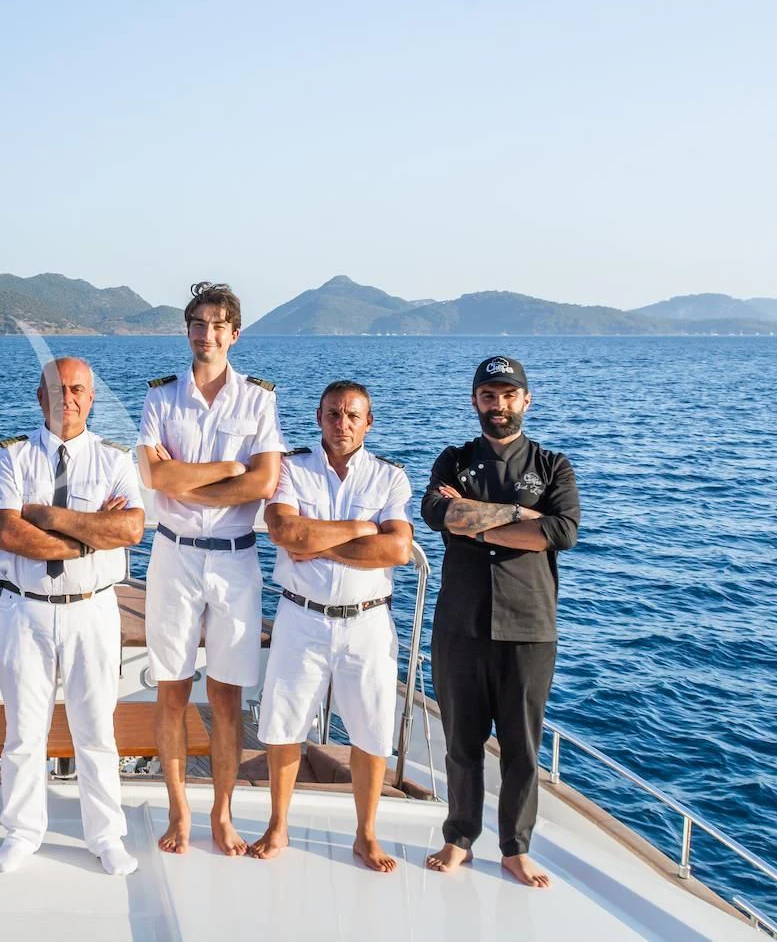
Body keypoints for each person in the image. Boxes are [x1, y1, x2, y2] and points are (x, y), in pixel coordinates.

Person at [0, 357, 146, 876]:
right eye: (56, 389)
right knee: (23, 731)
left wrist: (47, 517)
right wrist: (89, 535)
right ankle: (22, 832)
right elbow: (6, 533)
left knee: (95, 728)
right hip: (24, 612)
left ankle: (105, 835)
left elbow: (131, 529)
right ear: (39, 396)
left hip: (90, 612)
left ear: (91, 398)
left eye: (77, 390)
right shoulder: (10, 458)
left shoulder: (115, 460)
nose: (67, 398)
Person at [135, 282, 284, 856]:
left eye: (218, 324)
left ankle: (222, 814)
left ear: (234, 333)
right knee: (170, 691)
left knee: (225, 697)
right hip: (173, 555)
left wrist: (188, 477)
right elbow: (154, 478)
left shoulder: (257, 400)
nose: (207, 333)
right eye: (198, 323)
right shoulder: (162, 398)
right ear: (188, 330)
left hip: (235, 561)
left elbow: (263, 482)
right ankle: (180, 813)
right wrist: (225, 469)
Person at [420, 356, 580, 887]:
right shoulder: (453, 460)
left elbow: (558, 533)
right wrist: (519, 516)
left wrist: (479, 523)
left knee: (522, 746)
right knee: (461, 741)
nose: (499, 405)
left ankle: (515, 847)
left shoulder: (553, 465)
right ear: (475, 401)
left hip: (529, 626)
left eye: (509, 395)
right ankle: (459, 836)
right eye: (489, 395)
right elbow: (439, 515)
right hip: (461, 624)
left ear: (526, 400)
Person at [250, 382, 412, 869]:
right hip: (302, 616)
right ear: (319, 417)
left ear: (369, 422)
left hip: (367, 623)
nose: (342, 424)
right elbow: (284, 532)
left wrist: (315, 544)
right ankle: (278, 826)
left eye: (352, 416)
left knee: (372, 729)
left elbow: (398, 550)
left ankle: (365, 835)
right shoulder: (292, 470)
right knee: (283, 726)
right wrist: (364, 530)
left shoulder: (389, 479)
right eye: (334, 414)